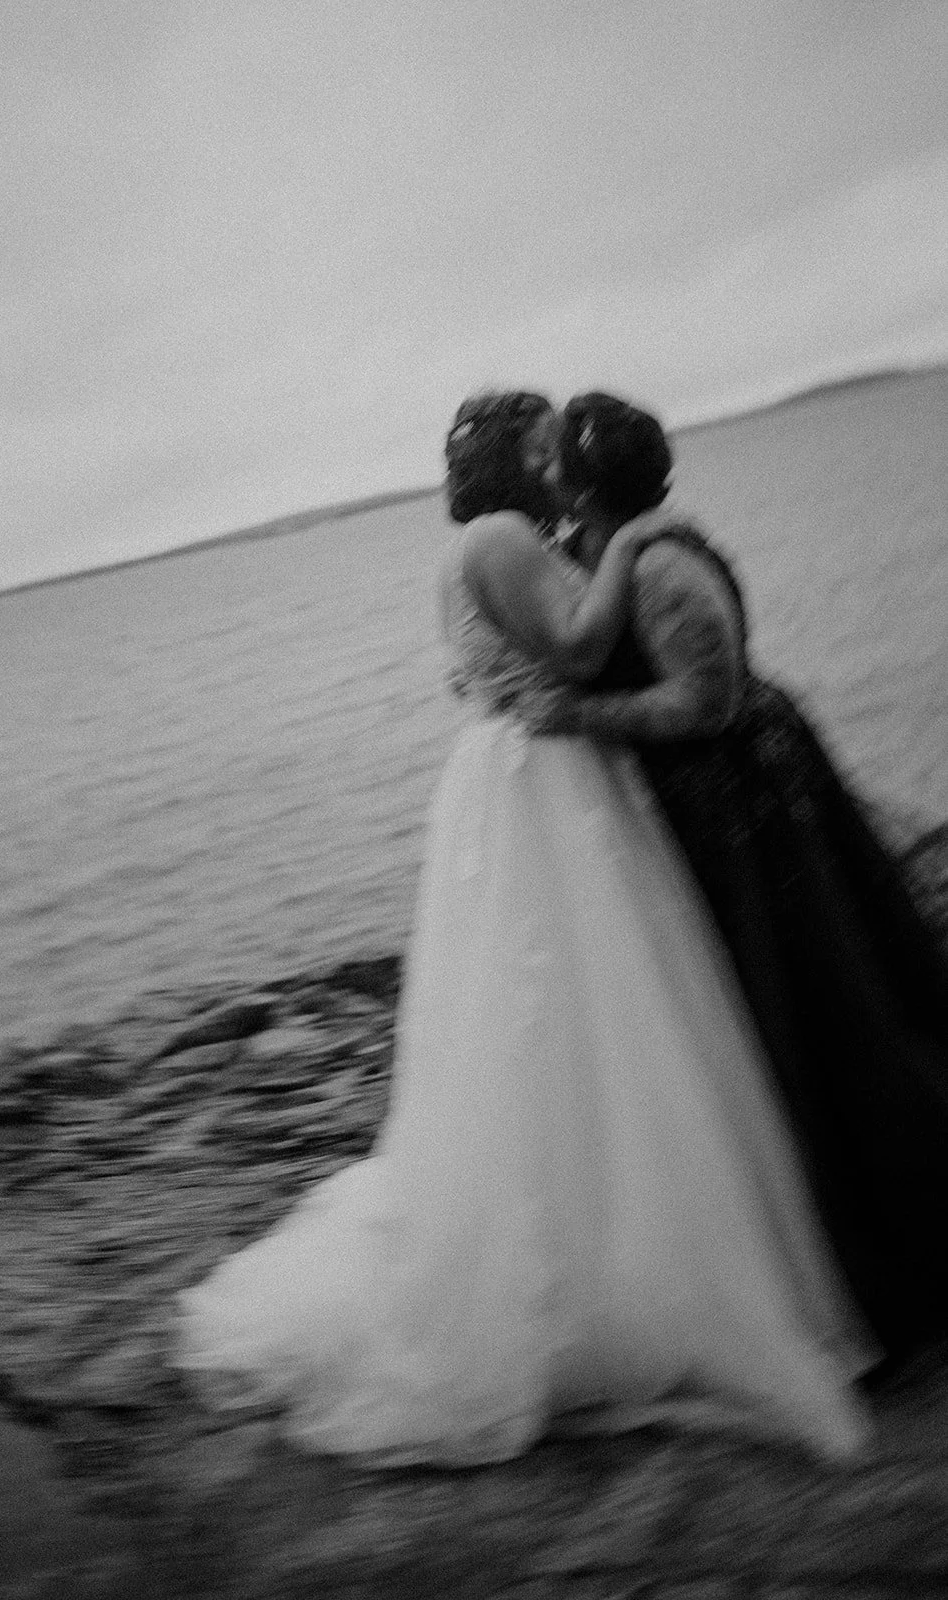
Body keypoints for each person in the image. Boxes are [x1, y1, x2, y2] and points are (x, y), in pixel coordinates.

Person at [174, 390, 873, 1467]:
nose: (554, 458)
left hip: (533, 770)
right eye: (539, 441)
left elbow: (503, 650)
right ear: (509, 459)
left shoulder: (493, 540)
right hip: (544, 773)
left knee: (581, 1004)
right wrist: (634, 540)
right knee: (580, 999)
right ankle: (605, 1254)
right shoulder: (499, 536)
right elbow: (578, 645)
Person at [515, 389, 948, 1375]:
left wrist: (578, 717)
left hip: (746, 808)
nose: (539, 475)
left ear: (585, 480)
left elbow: (704, 701)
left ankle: (888, 1255)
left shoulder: (661, 562)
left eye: (553, 462)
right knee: (760, 1021)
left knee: (816, 1010)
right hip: (707, 812)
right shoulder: (601, 548)